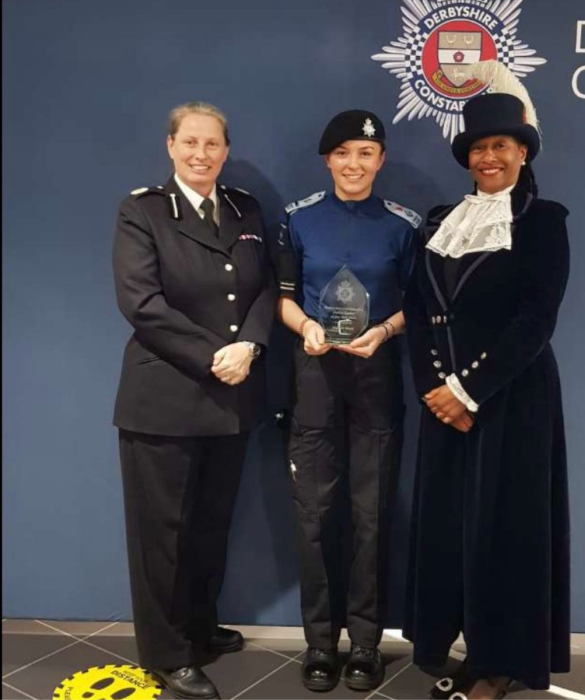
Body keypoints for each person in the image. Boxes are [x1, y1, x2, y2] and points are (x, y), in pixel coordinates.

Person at [402, 61, 571, 699]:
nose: (490, 157)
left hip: (511, 401)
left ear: (523, 151)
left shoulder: (544, 220)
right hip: (444, 403)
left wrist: (467, 390)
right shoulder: (441, 218)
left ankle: (498, 663)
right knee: (451, 530)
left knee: (505, 534)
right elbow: (417, 308)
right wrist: (434, 388)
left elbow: (536, 321)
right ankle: (453, 641)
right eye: (479, 147)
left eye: (501, 145)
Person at [112, 102, 275, 700]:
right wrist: (217, 354)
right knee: (164, 534)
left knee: (209, 526)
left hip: (232, 398)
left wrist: (253, 344)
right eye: (190, 143)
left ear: (226, 150)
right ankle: (167, 652)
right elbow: (141, 304)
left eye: (212, 144)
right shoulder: (143, 211)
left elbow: (265, 289)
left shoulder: (245, 210)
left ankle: (200, 629)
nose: (201, 154)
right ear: (171, 147)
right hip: (165, 399)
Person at [274, 110, 419, 693]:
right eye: (343, 153)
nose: (354, 164)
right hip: (314, 378)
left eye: (366, 153)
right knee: (314, 516)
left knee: (370, 515)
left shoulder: (404, 226)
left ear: (381, 160)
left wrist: (383, 331)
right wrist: (306, 326)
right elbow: (282, 298)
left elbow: (418, 304)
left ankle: (364, 644)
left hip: (376, 377)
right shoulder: (298, 220)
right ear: (327, 159)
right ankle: (318, 643)